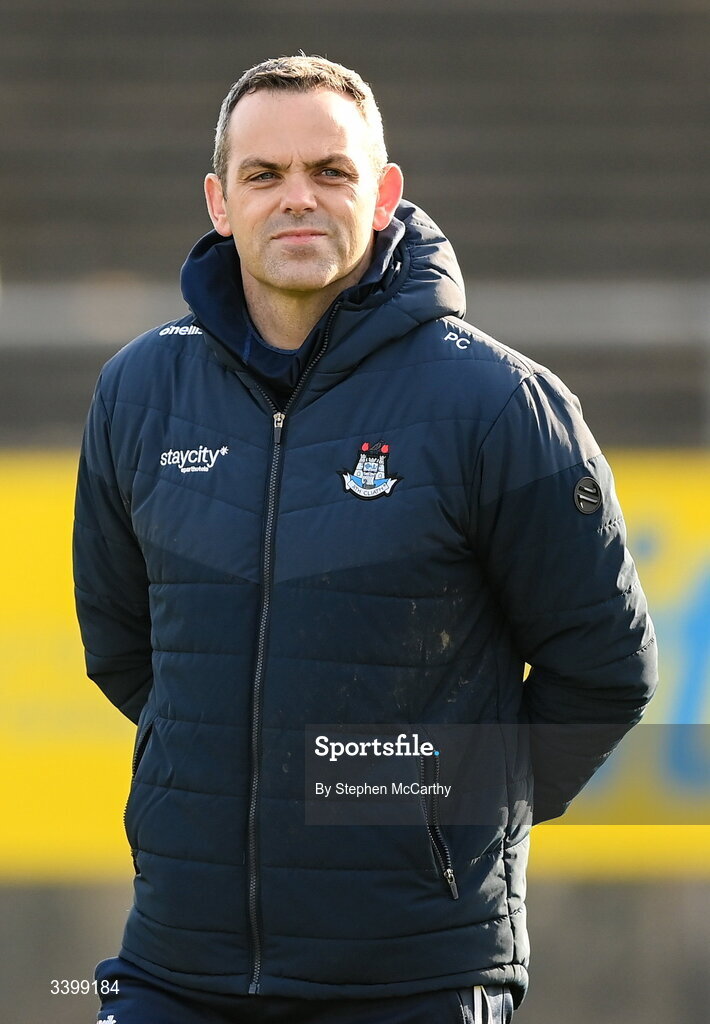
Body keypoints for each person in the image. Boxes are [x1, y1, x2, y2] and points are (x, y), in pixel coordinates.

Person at [73, 55, 658, 1024]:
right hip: (176, 966)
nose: (296, 198)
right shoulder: (137, 392)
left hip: (413, 979)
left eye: (330, 172)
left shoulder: (498, 403)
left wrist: (418, 803)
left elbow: (601, 672)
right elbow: (125, 649)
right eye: (264, 175)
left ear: (383, 194)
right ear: (220, 202)